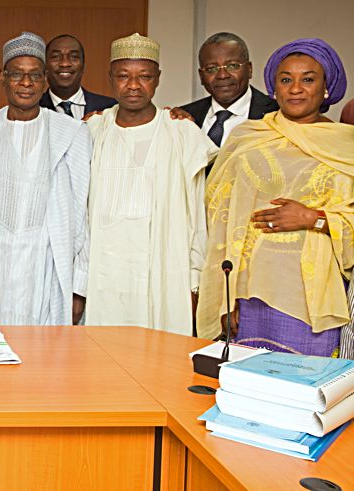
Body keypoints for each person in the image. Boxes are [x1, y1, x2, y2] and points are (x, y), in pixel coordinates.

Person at [197, 39, 354, 357]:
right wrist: (228, 298)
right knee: (250, 387)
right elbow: (220, 221)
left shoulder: (346, 146)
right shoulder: (248, 138)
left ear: (326, 88)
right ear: (273, 88)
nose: (296, 88)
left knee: (307, 389)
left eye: (308, 79)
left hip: (312, 300)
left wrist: (314, 218)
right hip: (250, 294)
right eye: (286, 79)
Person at [0, 32, 92, 326]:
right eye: (17, 74)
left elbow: (82, 212)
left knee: (42, 363)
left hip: (45, 272)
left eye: (35, 75)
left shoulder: (71, 134)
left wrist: (78, 286)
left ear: (46, 79)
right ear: (2, 76)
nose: (26, 83)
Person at [84, 33, 217, 335]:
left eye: (144, 76)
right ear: (110, 78)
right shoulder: (93, 129)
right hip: (103, 272)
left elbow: (197, 212)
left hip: (165, 272)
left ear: (157, 79)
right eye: (123, 76)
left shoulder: (181, 131)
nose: (133, 85)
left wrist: (196, 277)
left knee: (161, 360)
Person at [178, 32, 278, 146]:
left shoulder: (277, 113)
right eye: (211, 69)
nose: (222, 75)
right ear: (201, 76)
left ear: (249, 70)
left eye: (232, 66)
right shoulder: (185, 117)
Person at [39, 34, 116, 118]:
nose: (65, 63)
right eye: (56, 57)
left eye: (73, 57)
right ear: (45, 66)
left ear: (83, 66)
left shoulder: (110, 108)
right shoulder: (33, 108)